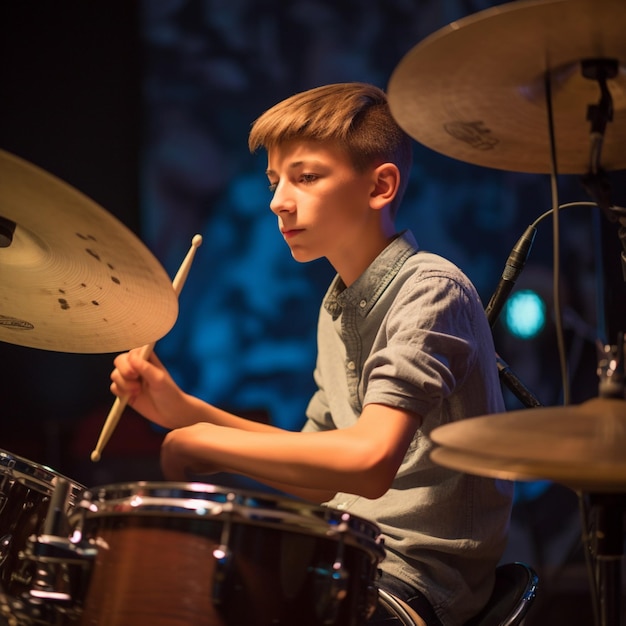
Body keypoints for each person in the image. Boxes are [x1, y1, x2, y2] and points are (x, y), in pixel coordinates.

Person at [110, 82, 513, 625]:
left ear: (380, 186)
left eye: (305, 177)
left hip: (413, 584)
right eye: (275, 180)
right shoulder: (337, 306)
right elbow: (322, 475)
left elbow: (369, 464)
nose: (277, 200)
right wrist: (184, 411)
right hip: (352, 562)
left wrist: (208, 442)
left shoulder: (431, 288)